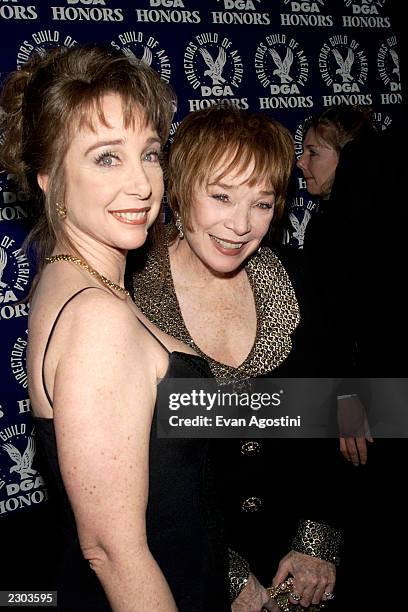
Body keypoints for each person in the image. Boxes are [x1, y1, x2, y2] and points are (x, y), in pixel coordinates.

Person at [0, 46, 233, 611]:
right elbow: (110, 549)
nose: (143, 184)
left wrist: (361, 405)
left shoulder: (73, 280)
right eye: (107, 158)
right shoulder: (98, 317)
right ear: (50, 178)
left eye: (150, 154)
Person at [131, 105, 342, 611]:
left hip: (297, 562)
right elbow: (135, 477)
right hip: (184, 569)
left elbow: (334, 408)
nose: (241, 225)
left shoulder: (298, 278)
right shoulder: (130, 300)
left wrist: (317, 543)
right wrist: (225, 575)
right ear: (180, 190)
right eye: (221, 196)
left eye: (262, 204)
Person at [297, 104, 408, 610]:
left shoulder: (344, 225)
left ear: (351, 158)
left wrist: (346, 401)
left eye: (314, 152)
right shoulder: (353, 219)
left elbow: (340, 333)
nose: (301, 164)